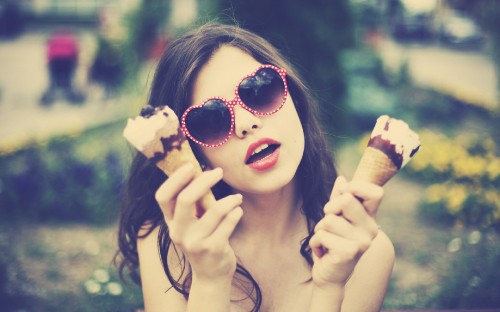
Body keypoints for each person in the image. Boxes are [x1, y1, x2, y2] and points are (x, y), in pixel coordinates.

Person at [116, 23, 394, 312]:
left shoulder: (364, 251)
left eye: (260, 90)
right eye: (212, 120)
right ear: (192, 151)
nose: (246, 123)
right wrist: (209, 280)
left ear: (294, 99)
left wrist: (331, 287)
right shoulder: (170, 247)